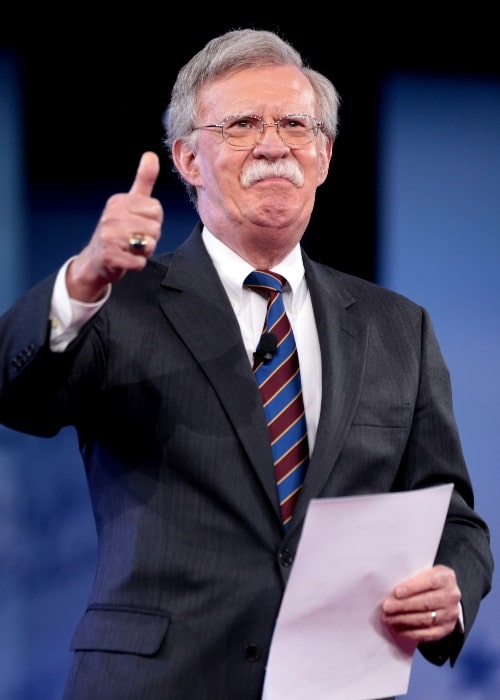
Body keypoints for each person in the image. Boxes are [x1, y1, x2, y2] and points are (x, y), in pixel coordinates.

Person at [0, 28, 493, 700]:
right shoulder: (120, 300)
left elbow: (453, 518)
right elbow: (17, 398)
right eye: (241, 124)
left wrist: (451, 585)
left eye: (296, 124)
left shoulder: (397, 328)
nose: (273, 143)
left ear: (322, 155)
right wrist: (84, 280)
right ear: (188, 158)